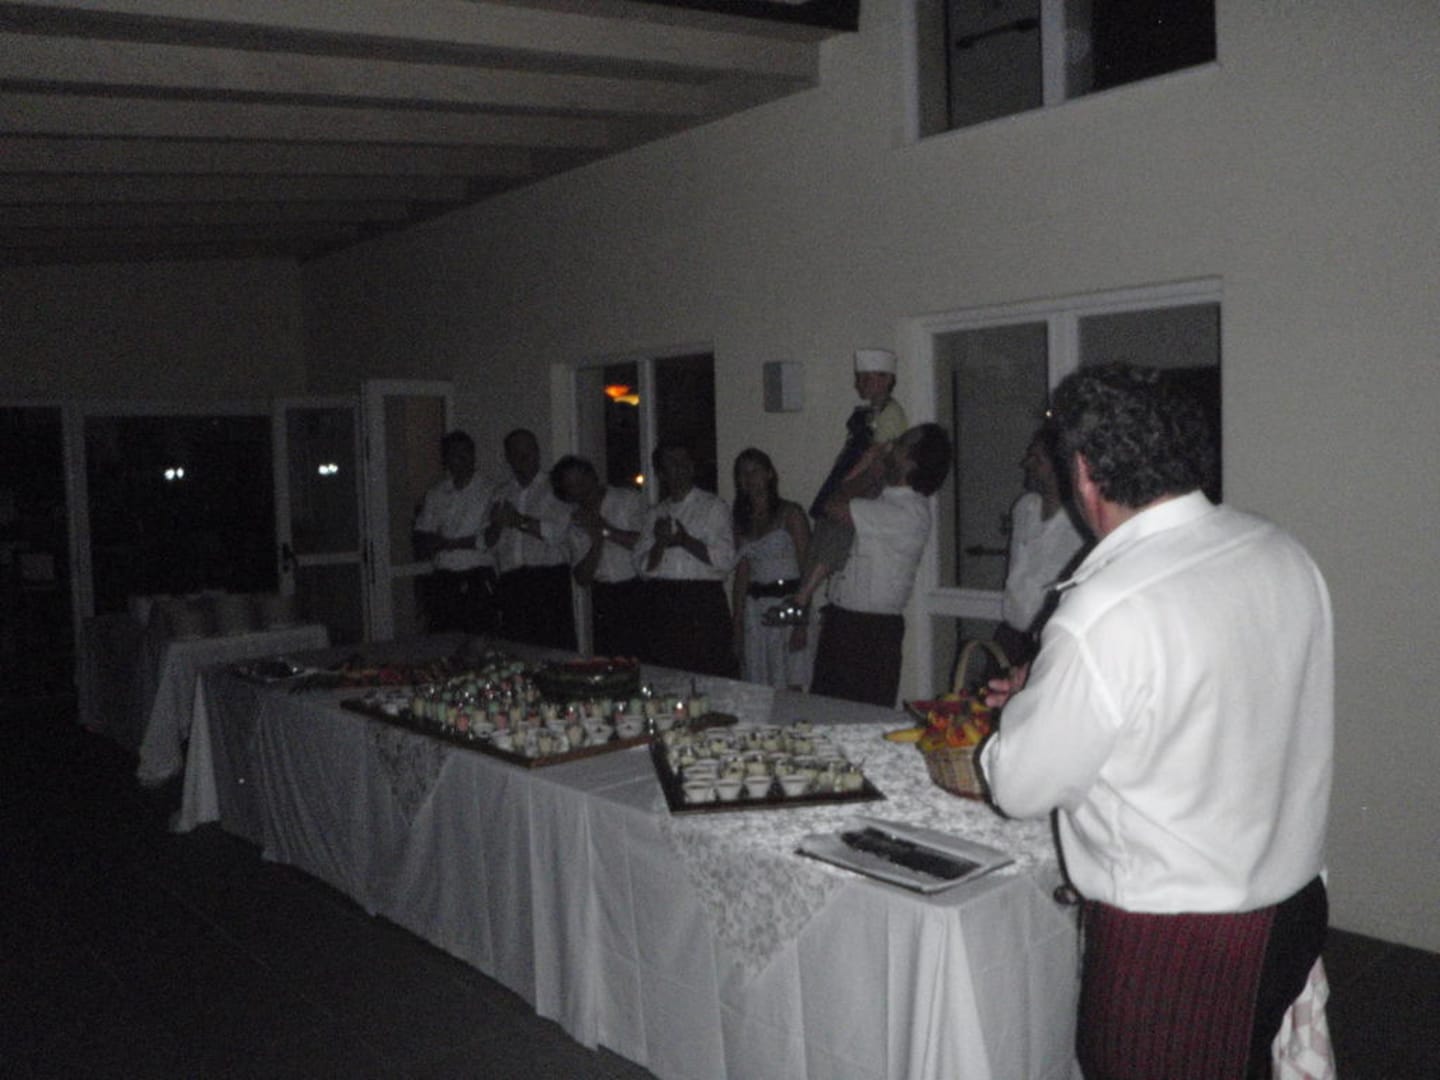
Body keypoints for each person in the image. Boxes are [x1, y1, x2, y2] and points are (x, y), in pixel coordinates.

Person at [979, 365, 1333, 1080]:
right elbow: (1218, 694)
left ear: (1083, 471)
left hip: (1184, 946)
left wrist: (1024, 706)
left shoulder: (1105, 609)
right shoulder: (1280, 550)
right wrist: (1057, 687)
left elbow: (1019, 785)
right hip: (1294, 907)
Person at [808, 423, 951, 707]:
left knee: (860, 717)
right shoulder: (884, 496)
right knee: (824, 711)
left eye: (901, 443)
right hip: (844, 621)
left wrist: (868, 470)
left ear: (912, 460)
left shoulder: (907, 510)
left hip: (868, 631)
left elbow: (831, 506)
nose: (892, 445)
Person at [769, 348, 908, 628]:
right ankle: (803, 597)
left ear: (885, 379)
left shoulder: (892, 414)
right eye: (859, 378)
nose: (860, 384)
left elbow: (874, 455)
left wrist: (846, 482)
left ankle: (803, 598)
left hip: (866, 485)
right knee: (822, 530)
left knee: (837, 531)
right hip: (852, 478)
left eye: (867, 378)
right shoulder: (870, 411)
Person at [633, 441, 736, 676]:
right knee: (667, 674)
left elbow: (725, 560)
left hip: (702, 600)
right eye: (672, 463)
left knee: (709, 673)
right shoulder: (655, 513)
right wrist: (660, 543)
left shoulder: (713, 507)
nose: (680, 467)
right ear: (661, 473)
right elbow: (642, 568)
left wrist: (685, 541)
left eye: (684, 461)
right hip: (664, 600)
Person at [994, 422, 1087, 666]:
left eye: (1037, 459)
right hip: (1010, 634)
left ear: (1059, 465)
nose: (1027, 464)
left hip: (1049, 641)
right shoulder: (1025, 508)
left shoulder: (1080, 520)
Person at [484, 428, 576, 651]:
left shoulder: (556, 488)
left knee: (554, 649)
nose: (523, 458)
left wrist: (518, 521)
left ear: (537, 453)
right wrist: (497, 524)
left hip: (547, 580)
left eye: (528, 452)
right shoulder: (501, 493)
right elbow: (487, 542)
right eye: (516, 453)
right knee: (517, 651)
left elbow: (560, 533)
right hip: (512, 581)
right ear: (508, 458)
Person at [730, 448, 813, 690]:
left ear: (769, 474)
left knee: (792, 685)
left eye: (754, 471)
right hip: (756, 611)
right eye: (743, 473)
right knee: (759, 686)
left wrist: (801, 623)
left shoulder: (790, 513)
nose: (749, 478)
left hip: (788, 606)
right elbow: (741, 576)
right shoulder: (742, 521)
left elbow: (807, 569)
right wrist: (737, 626)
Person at [550, 455, 647, 659]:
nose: (582, 488)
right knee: (608, 661)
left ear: (593, 476)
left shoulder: (626, 499)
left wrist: (604, 530)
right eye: (573, 486)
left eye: (583, 479)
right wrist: (596, 542)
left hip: (637, 590)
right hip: (604, 597)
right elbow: (581, 577)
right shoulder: (575, 522)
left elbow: (645, 543)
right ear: (567, 494)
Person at [411, 430, 498, 635]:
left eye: (466, 452)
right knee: (443, 635)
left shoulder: (490, 490)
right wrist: (442, 543)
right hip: (444, 575)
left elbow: (489, 538)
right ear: (446, 460)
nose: (462, 459)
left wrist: (449, 543)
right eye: (455, 454)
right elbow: (423, 536)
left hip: (476, 575)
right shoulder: (437, 493)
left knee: (478, 636)